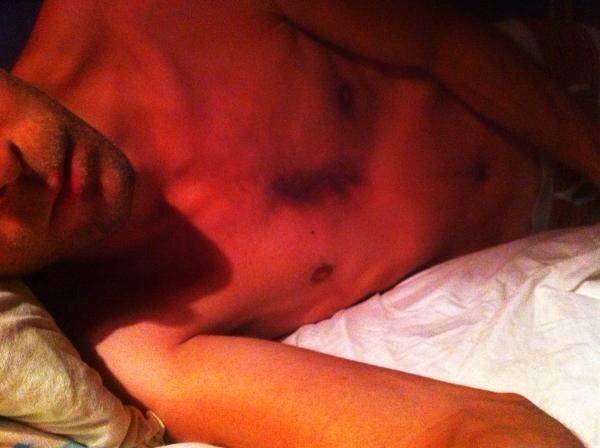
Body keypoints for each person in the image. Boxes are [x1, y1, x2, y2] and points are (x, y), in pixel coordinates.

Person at [2, 0, 597, 446]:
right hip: (548, 225)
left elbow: (442, 42)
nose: (4, 169)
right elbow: (457, 429)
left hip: (560, 86)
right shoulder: (123, 341)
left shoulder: (129, 10)